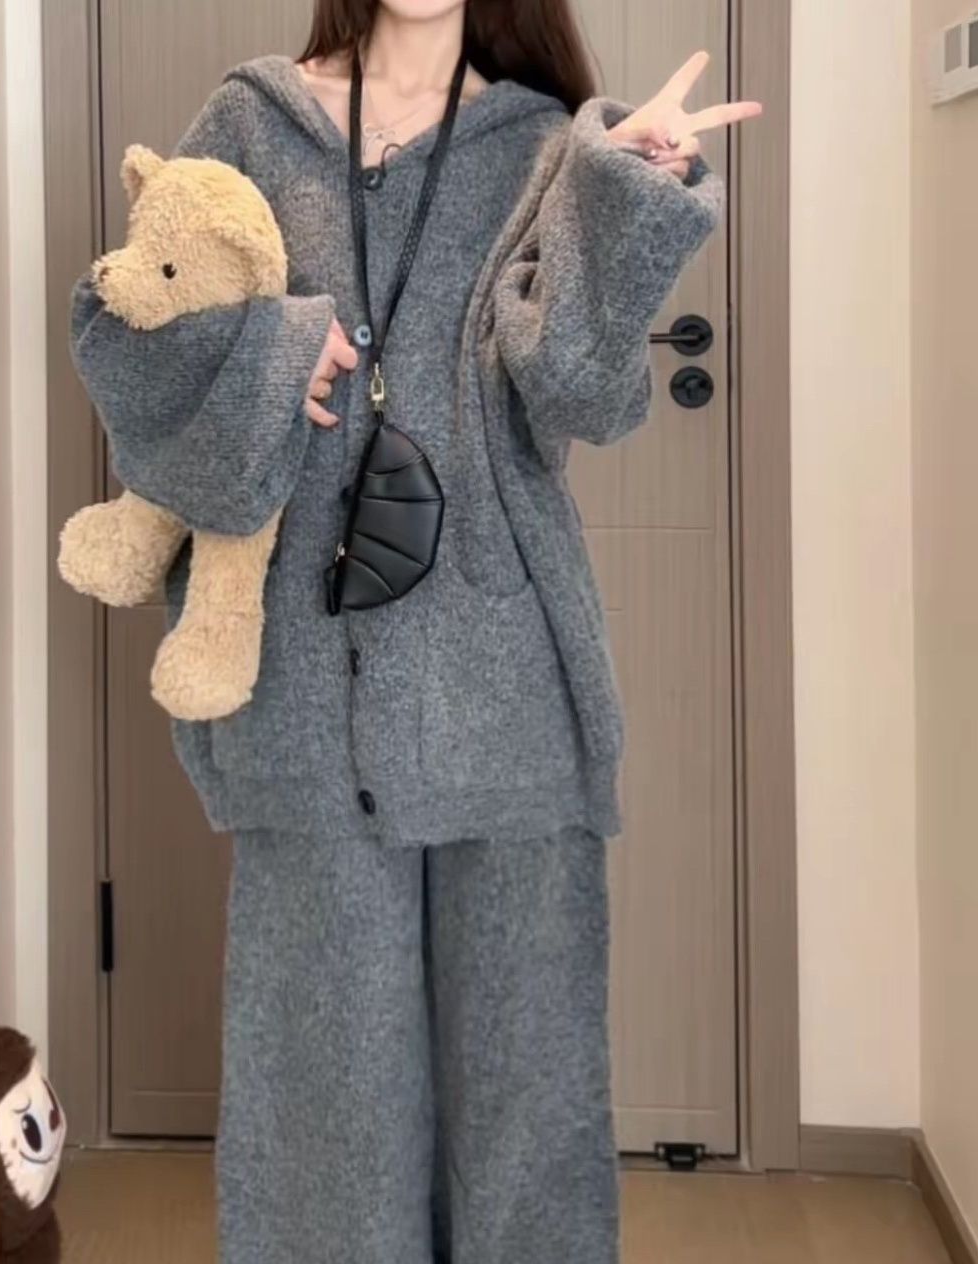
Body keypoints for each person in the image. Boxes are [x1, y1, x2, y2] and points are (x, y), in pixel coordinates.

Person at [69, 2, 761, 1260]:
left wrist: (624, 197)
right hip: (304, 693)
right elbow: (132, 338)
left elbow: (580, 396)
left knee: (524, 1109)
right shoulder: (252, 122)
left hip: (509, 689)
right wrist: (283, 352)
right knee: (323, 1108)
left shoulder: (542, 142)